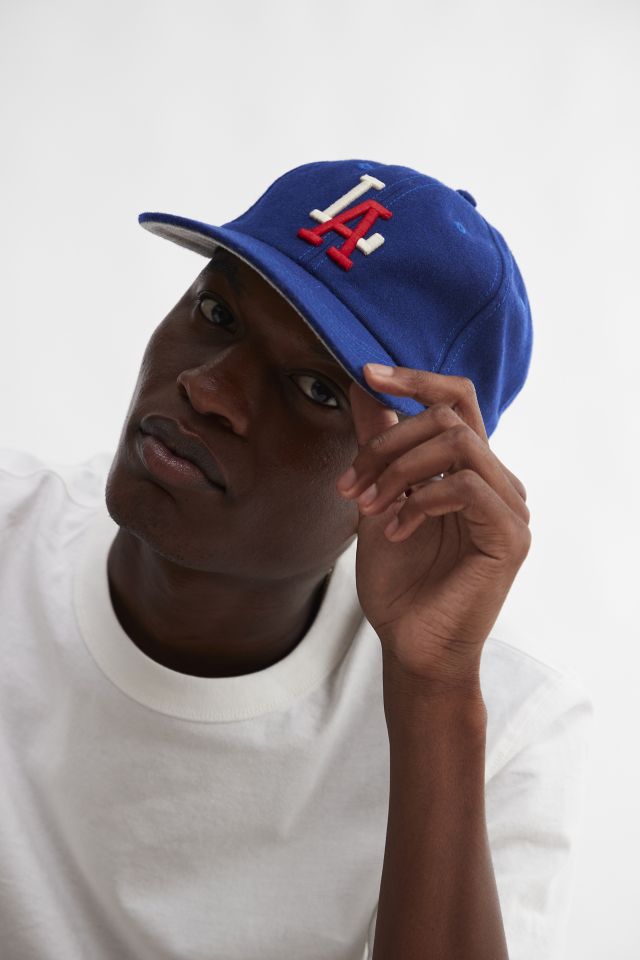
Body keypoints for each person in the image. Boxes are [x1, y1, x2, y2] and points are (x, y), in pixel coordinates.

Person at [0, 159, 593, 959]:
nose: (209, 390)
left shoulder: (507, 721)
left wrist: (432, 692)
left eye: (316, 388)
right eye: (217, 311)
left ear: (421, 475)